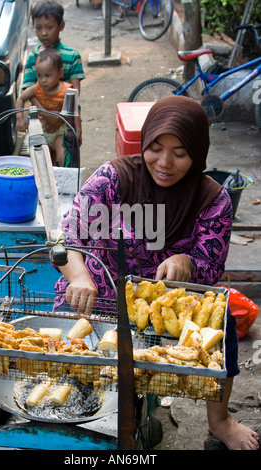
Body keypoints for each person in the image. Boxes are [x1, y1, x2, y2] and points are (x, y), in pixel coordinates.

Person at [52, 96, 259, 450]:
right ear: (144, 143)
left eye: (179, 153)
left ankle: (220, 420)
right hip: (101, 290)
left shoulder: (213, 200)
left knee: (221, 325)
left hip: (168, 304)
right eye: (155, 148)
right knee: (71, 360)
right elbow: (66, 239)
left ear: (198, 152)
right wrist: (78, 276)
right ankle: (72, 408)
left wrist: (187, 261)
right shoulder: (113, 179)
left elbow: (210, 268)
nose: (164, 163)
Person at [22, 0, 85, 134]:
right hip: (41, 121)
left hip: (68, 119)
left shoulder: (72, 56)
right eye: (39, 28)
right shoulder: (33, 57)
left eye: (49, 27)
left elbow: (74, 93)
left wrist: (60, 117)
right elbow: (29, 92)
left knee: (65, 154)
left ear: (61, 26)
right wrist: (47, 115)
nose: (44, 33)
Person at [16, 48, 82, 166]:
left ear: (60, 73)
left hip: (59, 131)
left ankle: (61, 179)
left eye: (47, 75)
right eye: (39, 75)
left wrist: (78, 132)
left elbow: (74, 110)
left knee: (63, 157)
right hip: (42, 130)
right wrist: (19, 119)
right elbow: (20, 99)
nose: (43, 80)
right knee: (43, 163)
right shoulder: (37, 88)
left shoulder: (66, 90)